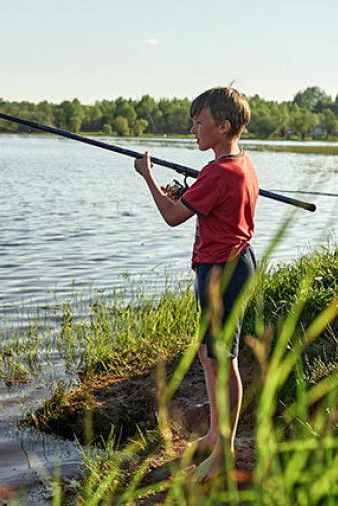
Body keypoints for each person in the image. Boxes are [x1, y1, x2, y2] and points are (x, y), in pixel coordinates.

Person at [133, 86, 258, 481]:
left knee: (224, 360)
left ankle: (224, 453)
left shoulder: (219, 172)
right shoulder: (240, 164)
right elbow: (214, 206)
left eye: (199, 122)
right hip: (221, 266)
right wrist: (189, 194)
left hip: (224, 270)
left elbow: (172, 216)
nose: (193, 130)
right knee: (210, 355)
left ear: (223, 126)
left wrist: (148, 177)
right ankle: (212, 438)